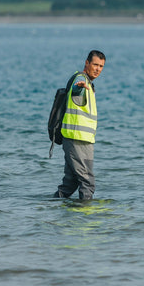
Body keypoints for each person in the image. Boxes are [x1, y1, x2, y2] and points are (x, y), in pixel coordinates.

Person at [54, 50, 106, 200]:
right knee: (87, 182)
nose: (98, 69)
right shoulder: (80, 80)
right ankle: (85, 220)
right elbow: (76, 91)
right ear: (87, 63)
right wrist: (79, 87)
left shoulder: (89, 83)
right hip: (76, 140)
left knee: (69, 184)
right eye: (95, 64)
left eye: (101, 66)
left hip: (84, 141)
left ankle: (54, 209)